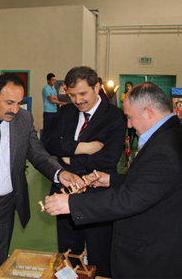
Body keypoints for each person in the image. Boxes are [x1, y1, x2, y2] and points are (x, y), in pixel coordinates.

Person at [44, 82, 182, 278]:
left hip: (153, 254)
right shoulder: (171, 134)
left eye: (131, 117)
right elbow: (150, 183)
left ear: (149, 113)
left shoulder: (164, 149)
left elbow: (132, 198)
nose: (129, 125)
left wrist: (72, 203)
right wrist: (111, 180)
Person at [0, 73, 84, 279]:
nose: (15, 109)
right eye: (9, 103)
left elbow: (38, 154)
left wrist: (60, 173)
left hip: (4, 207)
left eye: (19, 103)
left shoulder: (23, 118)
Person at [43, 66, 126, 277]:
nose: (78, 100)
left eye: (83, 94)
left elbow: (109, 158)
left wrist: (68, 156)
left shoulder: (115, 116)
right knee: (69, 255)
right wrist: (83, 148)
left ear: (97, 87)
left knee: (100, 255)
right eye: (72, 95)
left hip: (98, 197)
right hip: (67, 195)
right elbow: (50, 143)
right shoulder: (66, 112)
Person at [41, 73, 64, 142]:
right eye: (53, 80)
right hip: (48, 112)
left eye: (55, 80)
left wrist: (54, 97)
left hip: (55, 111)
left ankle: (50, 145)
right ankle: (42, 146)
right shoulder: (46, 89)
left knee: (53, 130)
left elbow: (56, 99)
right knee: (46, 130)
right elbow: (52, 101)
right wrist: (62, 103)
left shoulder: (54, 90)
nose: (54, 81)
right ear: (48, 80)